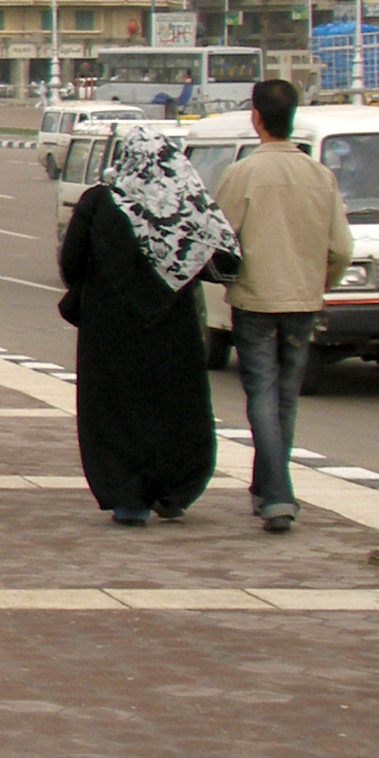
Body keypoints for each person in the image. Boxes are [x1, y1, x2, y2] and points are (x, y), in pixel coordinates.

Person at [59, 127, 241, 524]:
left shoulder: (99, 202)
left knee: (114, 408)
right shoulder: (186, 203)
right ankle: (175, 489)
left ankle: (127, 496)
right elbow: (225, 260)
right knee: (177, 406)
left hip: (109, 330)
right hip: (175, 329)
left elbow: (71, 264)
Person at [211, 77, 353, 533]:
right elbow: (343, 248)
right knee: (285, 399)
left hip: (255, 301)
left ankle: (276, 494)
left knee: (261, 396)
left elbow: (220, 238)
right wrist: (319, 282)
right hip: (303, 300)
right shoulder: (320, 175)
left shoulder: (243, 173)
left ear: (256, 117)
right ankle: (268, 489)